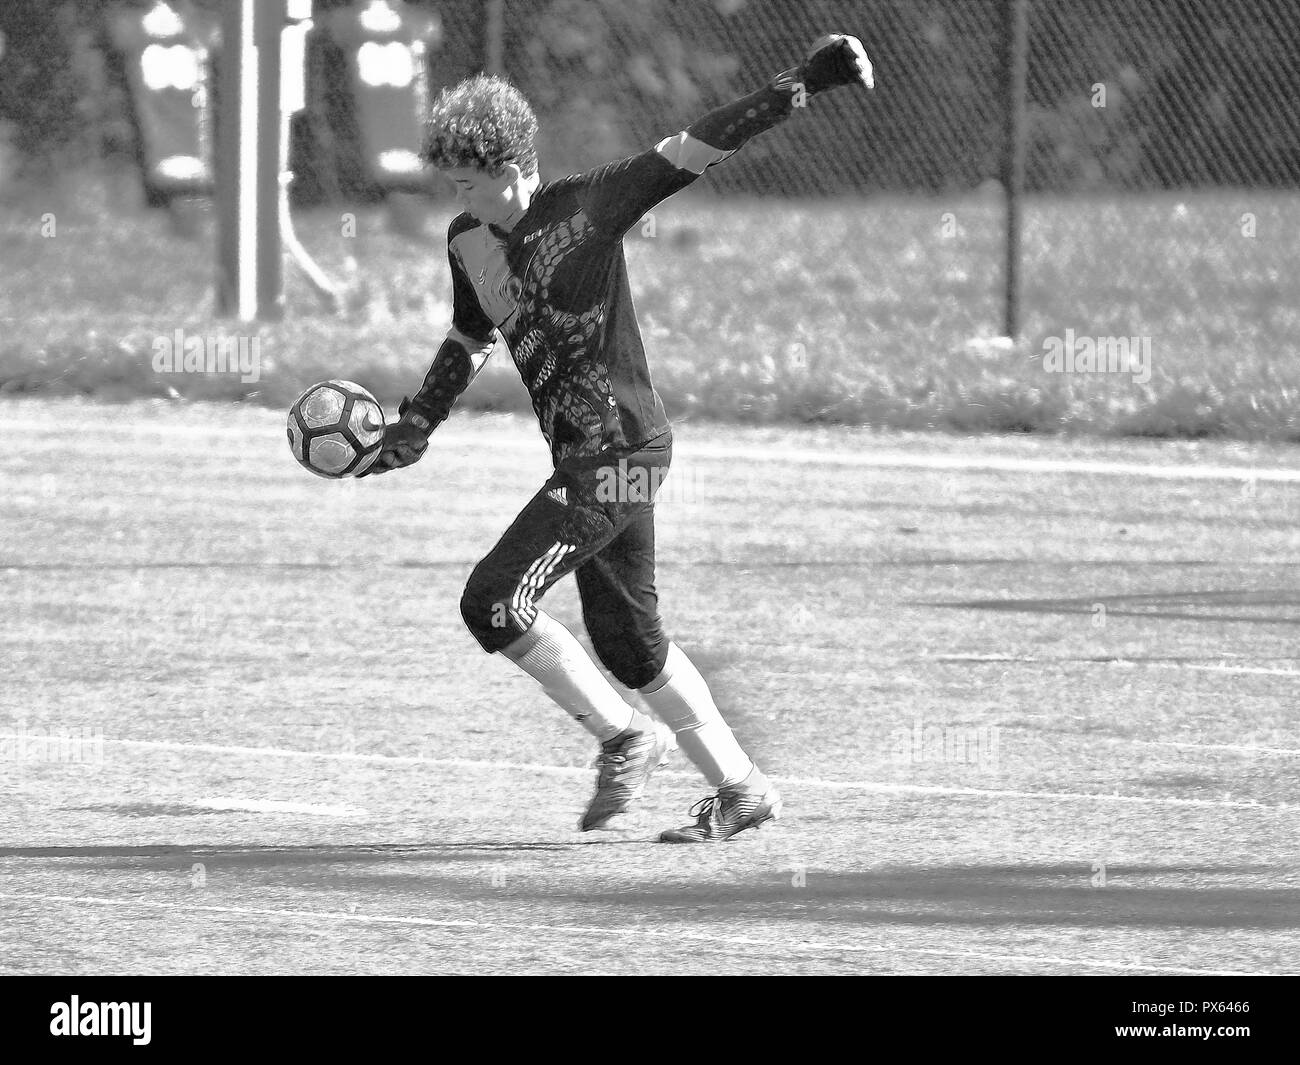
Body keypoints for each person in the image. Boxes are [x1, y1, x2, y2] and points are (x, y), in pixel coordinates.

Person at [361, 34, 874, 841]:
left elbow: (697, 145)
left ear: (511, 166)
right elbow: (468, 338)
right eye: (450, 182)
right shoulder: (466, 241)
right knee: (632, 647)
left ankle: (625, 734)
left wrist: (807, 81)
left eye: (467, 181)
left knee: (492, 600)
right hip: (589, 457)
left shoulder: (589, 205)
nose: (456, 195)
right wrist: (418, 423)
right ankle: (743, 788)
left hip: (623, 450)